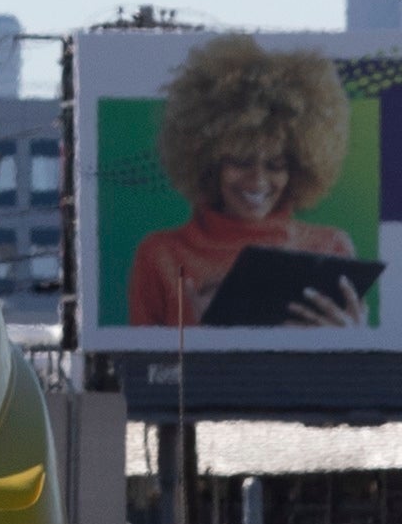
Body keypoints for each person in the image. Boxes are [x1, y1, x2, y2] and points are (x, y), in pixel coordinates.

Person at [127, 32, 366, 327]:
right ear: (210, 162)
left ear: (298, 167)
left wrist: (354, 342)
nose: (258, 181)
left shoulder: (331, 249)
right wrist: (204, 339)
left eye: (276, 165)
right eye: (241, 162)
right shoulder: (161, 256)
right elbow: (142, 370)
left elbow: (346, 371)